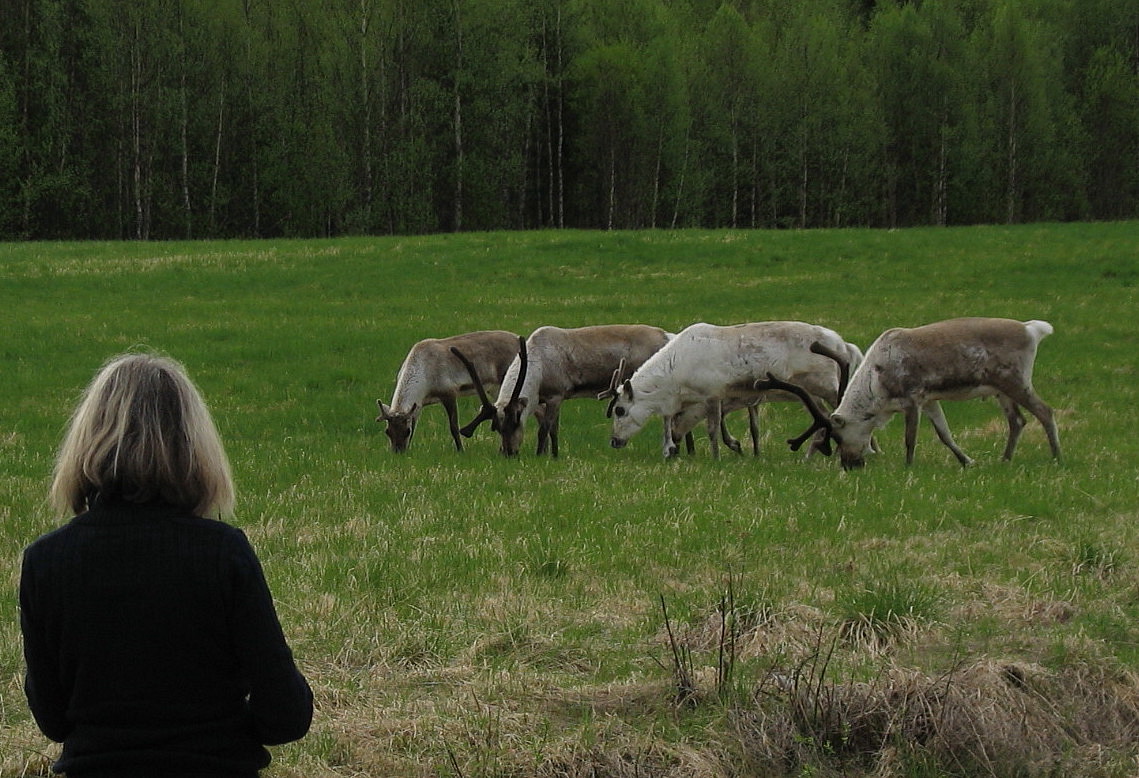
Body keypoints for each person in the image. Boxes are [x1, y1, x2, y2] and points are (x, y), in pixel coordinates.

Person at [19, 352, 313, 777]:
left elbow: (52, 718)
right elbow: (286, 715)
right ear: (193, 444)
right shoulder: (222, 553)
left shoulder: (46, 561)